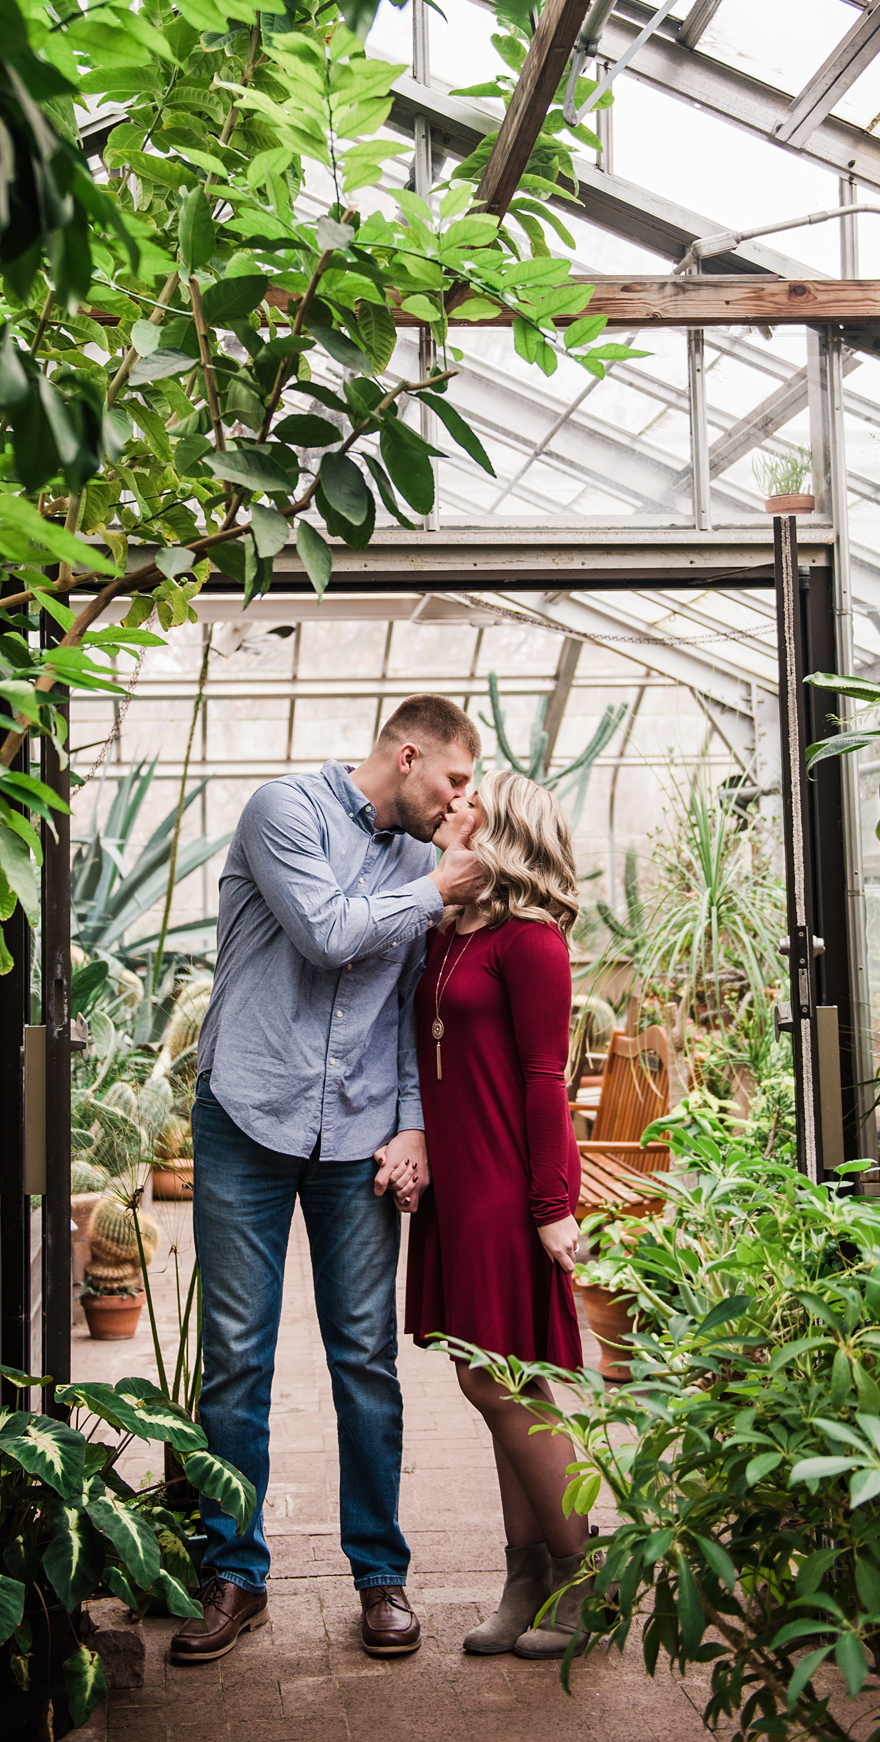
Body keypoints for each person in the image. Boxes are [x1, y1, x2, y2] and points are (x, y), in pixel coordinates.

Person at [172, 695, 487, 1665]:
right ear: (405, 755)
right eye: (453, 779)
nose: (460, 799)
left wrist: (410, 1120)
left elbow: (400, 1012)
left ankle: (378, 1573)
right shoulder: (284, 810)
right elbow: (324, 930)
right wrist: (436, 887)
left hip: (355, 1135)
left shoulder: (415, 865)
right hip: (246, 1118)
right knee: (234, 1356)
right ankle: (234, 1572)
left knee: (364, 1361)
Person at [400, 768, 590, 1661]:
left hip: (506, 1191)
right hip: (456, 1188)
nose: (453, 805)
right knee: (505, 1389)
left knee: (499, 1383)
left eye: (472, 801)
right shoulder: (447, 933)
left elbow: (543, 1080)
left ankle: (587, 1575)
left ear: (504, 829)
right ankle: (527, 1579)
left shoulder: (531, 942)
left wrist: (552, 1206)